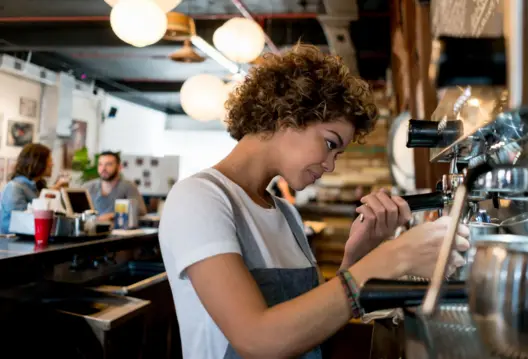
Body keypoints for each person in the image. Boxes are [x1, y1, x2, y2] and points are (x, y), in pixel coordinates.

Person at [159, 44, 470, 359]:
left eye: (338, 153)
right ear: (286, 116)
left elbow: (311, 328)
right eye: (329, 143)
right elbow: (257, 339)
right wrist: (395, 256)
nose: (330, 165)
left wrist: (356, 257)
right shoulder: (198, 199)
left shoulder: (288, 215)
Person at [0, 143, 66, 233]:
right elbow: (17, 224)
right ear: (38, 162)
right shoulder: (14, 188)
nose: (52, 164)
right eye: (50, 160)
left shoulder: (36, 187)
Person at [83, 151, 147, 222]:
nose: (103, 168)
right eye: (100, 164)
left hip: (119, 230)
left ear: (119, 167)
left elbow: (141, 211)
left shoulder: (129, 186)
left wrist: (113, 215)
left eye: (109, 164)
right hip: (92, 229)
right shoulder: (88, 187)